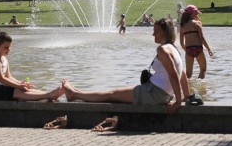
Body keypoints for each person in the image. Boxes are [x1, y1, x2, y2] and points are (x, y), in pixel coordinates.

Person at [62, 17, 200, 113]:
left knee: (111, 94)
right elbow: (182, 74)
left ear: (164, 32)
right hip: (158, 93)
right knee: (113, 93)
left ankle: (74, 95)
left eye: (156, 31)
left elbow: (174, 75)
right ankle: (77, 92)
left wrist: (177, 102)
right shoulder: (174, 49)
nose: (153, 34)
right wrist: (185, 96)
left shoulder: (163, 50)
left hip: (153, 94)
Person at [0, 32, 64, 101]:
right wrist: (18, 86)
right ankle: (47, 95)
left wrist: (20, 84)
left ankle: (49, 94)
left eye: (9, 47)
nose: (9, 50)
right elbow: (1, 79)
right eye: (6, 47)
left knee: (23, 88)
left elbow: (8, 76)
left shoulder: (3, 59)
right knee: (17, 90)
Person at [180, 5, 214, 79]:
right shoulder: (197, 23)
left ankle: (187, 87)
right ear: (193, 13)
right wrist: (208, 49)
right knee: (203, 70)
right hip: (198, 48)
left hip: (188, 49)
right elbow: (202, 38)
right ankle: (200, 86)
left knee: (188, 74)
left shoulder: (182, 26)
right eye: (196, 13)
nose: (197, 15)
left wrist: (186, 50)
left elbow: (181, 43)